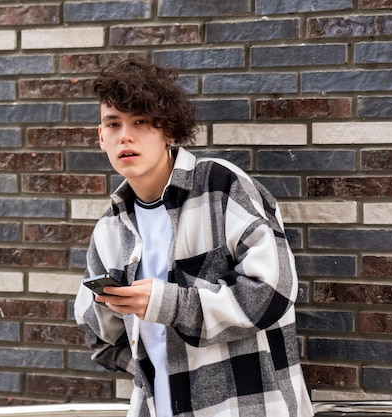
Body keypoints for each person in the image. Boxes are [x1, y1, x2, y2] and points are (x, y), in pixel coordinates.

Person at [73, 58, 314, 417]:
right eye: (114, 124)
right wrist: (159, 361)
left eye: (140, 122)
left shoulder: (220, 186)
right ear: (101, 137)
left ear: (168, 130)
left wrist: (166, 303)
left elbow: (273, 291)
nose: (125, 135)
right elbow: (99, 335)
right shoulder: (110, 229)